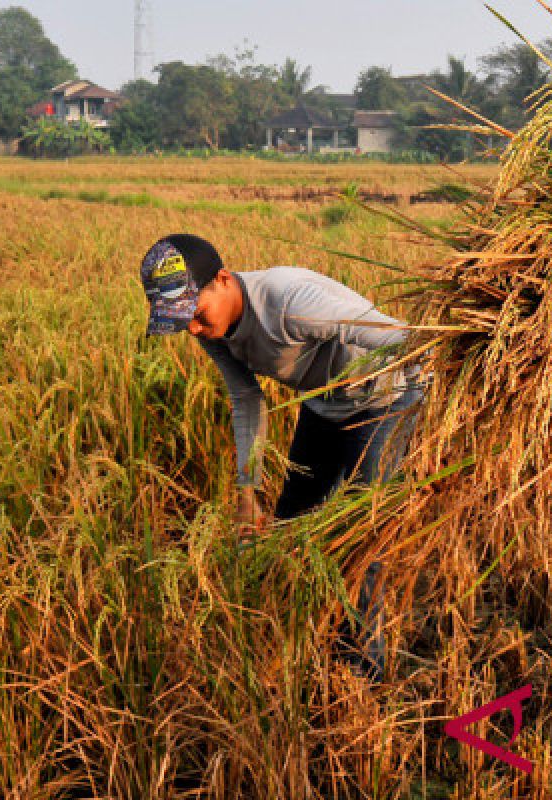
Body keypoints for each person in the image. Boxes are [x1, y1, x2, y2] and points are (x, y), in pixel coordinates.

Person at [139, 233, 423, 681]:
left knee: (361, 541)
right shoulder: (212, 328)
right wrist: (246, 492)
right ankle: (298, 641)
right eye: (180, 322)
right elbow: (246, 400)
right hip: (322, 402)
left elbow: (396, 336)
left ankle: (364, 674)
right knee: (290, 528)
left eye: (194, 315)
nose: (192, 329)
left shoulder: (290, 301)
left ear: (223, 280)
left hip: (381, 402)